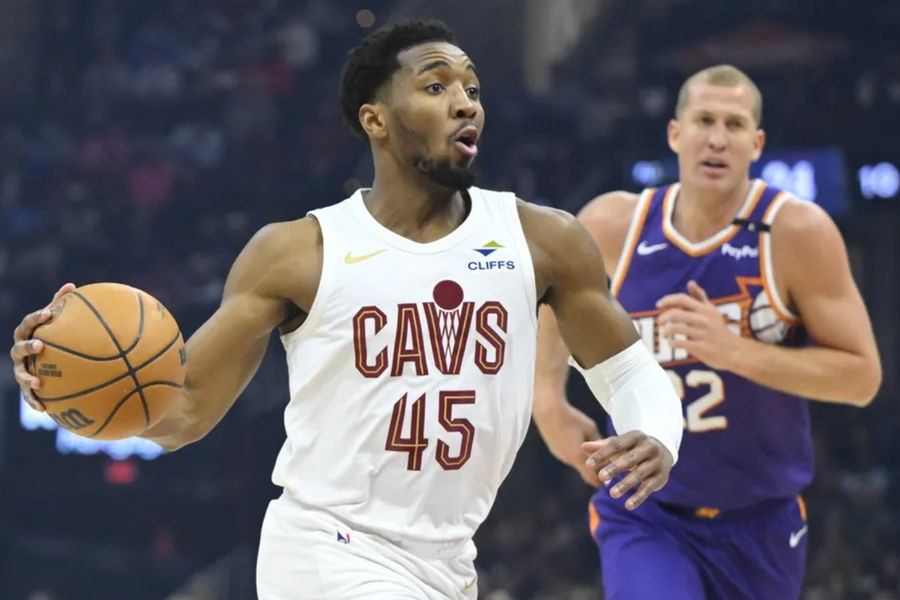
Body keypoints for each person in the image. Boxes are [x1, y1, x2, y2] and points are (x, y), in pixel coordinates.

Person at [10, 20, 683, 600]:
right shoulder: (295, 253)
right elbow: (182, 414)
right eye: (436, 85)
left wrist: (657, 433)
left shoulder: (545, 241)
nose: (464, 103)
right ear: (376, 119)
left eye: (472, 89)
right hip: (325, 548)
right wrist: (65, 392)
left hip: (448, 563)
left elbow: (628, 373)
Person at [534, 64, 882, 600]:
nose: (717, 138)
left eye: (735, 124)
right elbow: (554, 301)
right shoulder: (613, 224)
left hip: (760, 519)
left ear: (757, 143)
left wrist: (735, 352)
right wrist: (547, 402)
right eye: (704, 120)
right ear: (676, 134)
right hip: (646, 511)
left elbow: (861, 378)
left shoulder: (796, 232)